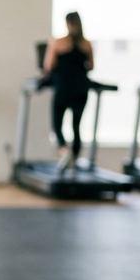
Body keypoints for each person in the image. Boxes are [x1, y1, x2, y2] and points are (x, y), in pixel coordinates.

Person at [44, 11, 94, 172]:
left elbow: (48, 66)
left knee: (57, 125)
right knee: (76, 126)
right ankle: (74, 158)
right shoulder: (86, 44)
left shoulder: (57, 42)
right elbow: (91, 66)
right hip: (81, 88)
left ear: (67, 23)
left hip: (63, 88)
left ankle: (65, 151)